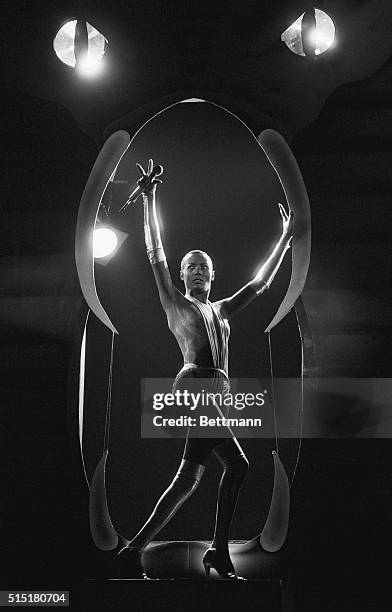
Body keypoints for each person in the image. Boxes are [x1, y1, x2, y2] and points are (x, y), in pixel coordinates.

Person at [117, 159, 294, 579]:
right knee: (237, 465)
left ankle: (135, 549)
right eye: (190, 266)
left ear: (212, 276)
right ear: (182, 275)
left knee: (189, 478)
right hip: (193, 385)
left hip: (217, 394)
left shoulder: (223, 312)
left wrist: (285, 239)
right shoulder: (176, 303)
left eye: (203, 266)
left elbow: (259, 284)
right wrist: (149, 196)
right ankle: (217, 551)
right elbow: (154, 252)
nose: (196, 269)